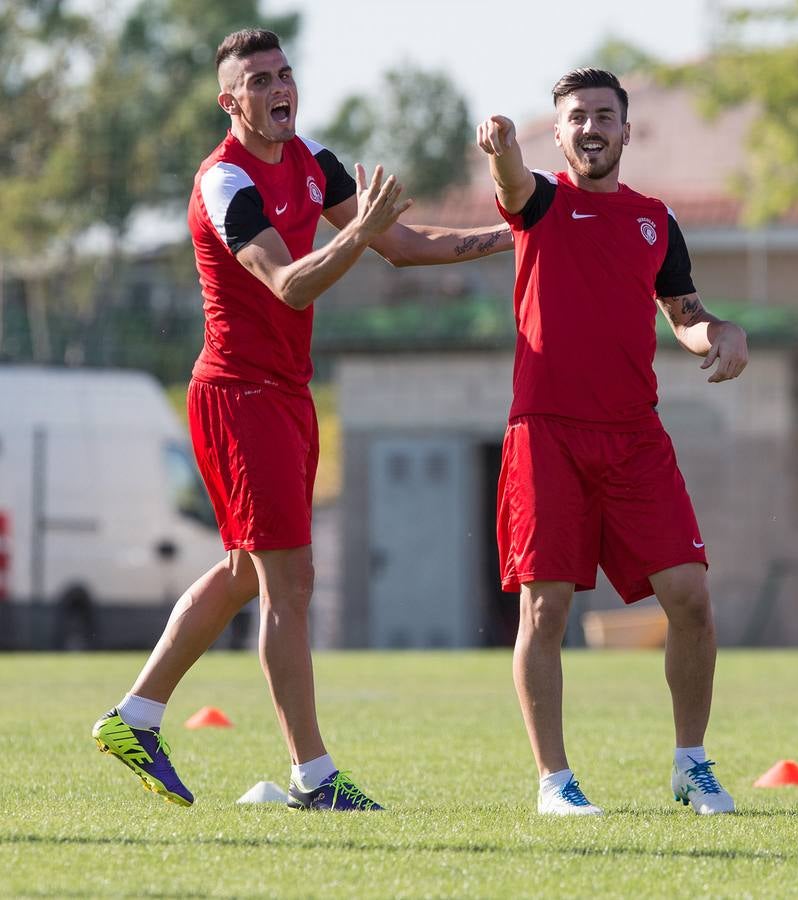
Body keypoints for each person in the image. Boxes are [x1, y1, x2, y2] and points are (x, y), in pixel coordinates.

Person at [91, 28, 513, 811]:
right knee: (291, 581)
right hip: (237, 397)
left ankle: (135, 717)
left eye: (284, 74)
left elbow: (403, 244)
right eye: (259, 80)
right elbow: (288, 285)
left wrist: (512, 233)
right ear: (231, 101)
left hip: (285, 393)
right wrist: (354, 232)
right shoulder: (223, 183)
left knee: (248, 573)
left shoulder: (314, 161)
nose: (279, 87)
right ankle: (313, 777)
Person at [479, 68, 749, 817]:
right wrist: (500, 149)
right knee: (547, 609)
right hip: (546, 434)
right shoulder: (538, 202)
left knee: (690, 598)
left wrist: (717, 334)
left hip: (634, 436)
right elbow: (508, 182)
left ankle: (691, 765)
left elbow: (683, 310)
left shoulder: (654, 220)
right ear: (558, 132)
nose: (591, 128)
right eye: (576, 118)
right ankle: (554, 783)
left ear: (627, 131)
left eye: (604, 115)